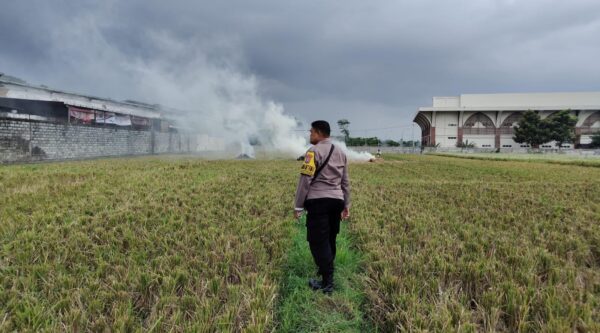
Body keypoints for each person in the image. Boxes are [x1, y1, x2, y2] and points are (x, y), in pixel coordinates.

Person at [293, 120, 350, 294]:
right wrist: (346, 204)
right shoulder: (341, 151)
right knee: (330, 238)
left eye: (311, 132)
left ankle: (327, 283)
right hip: (336, 201)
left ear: (318, 133)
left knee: (318, 241)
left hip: (318, 201)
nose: (310, 135)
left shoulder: (312, 152)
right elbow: (345, 181)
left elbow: (305, 180)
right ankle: (326, 273)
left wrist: (298, 206)